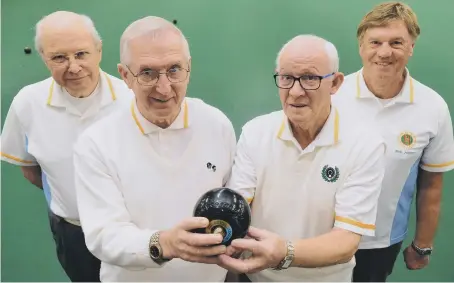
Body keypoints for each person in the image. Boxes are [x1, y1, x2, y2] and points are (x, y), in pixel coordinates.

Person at [73, 16, 236, 282]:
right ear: (125, 76)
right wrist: (164, 243)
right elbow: (103, 235)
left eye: (174, 70)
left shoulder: (216, 124)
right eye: (147, 73)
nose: (164, 87)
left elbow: (233, 201)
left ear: (189, 68)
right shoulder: (96, 142)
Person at [219, 34, 386, 282]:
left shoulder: (365, 144)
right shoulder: (255, 132)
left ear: (336, 83)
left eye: (310, 78)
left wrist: (284, 252)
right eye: (286, 78)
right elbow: (238, 205)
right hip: (256, 277)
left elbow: (346, 240)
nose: (296, 92)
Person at [0, 11, 133, 282]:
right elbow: (31, 169)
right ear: (43, 58)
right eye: (59, 57)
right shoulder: (27, 103)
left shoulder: (131, 100)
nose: (73, 67)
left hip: (130, 232)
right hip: (72, 234)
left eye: (81, 54)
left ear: (99, 51)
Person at [331, 2, 454, 282]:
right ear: (361, 47)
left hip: (380, 244)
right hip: (322, 234)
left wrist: (423, 245)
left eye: (396, 42)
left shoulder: (433, 107)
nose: (385, 52)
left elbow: (432, 186)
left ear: (411, 46)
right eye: (376, 42)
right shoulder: (331, 97)